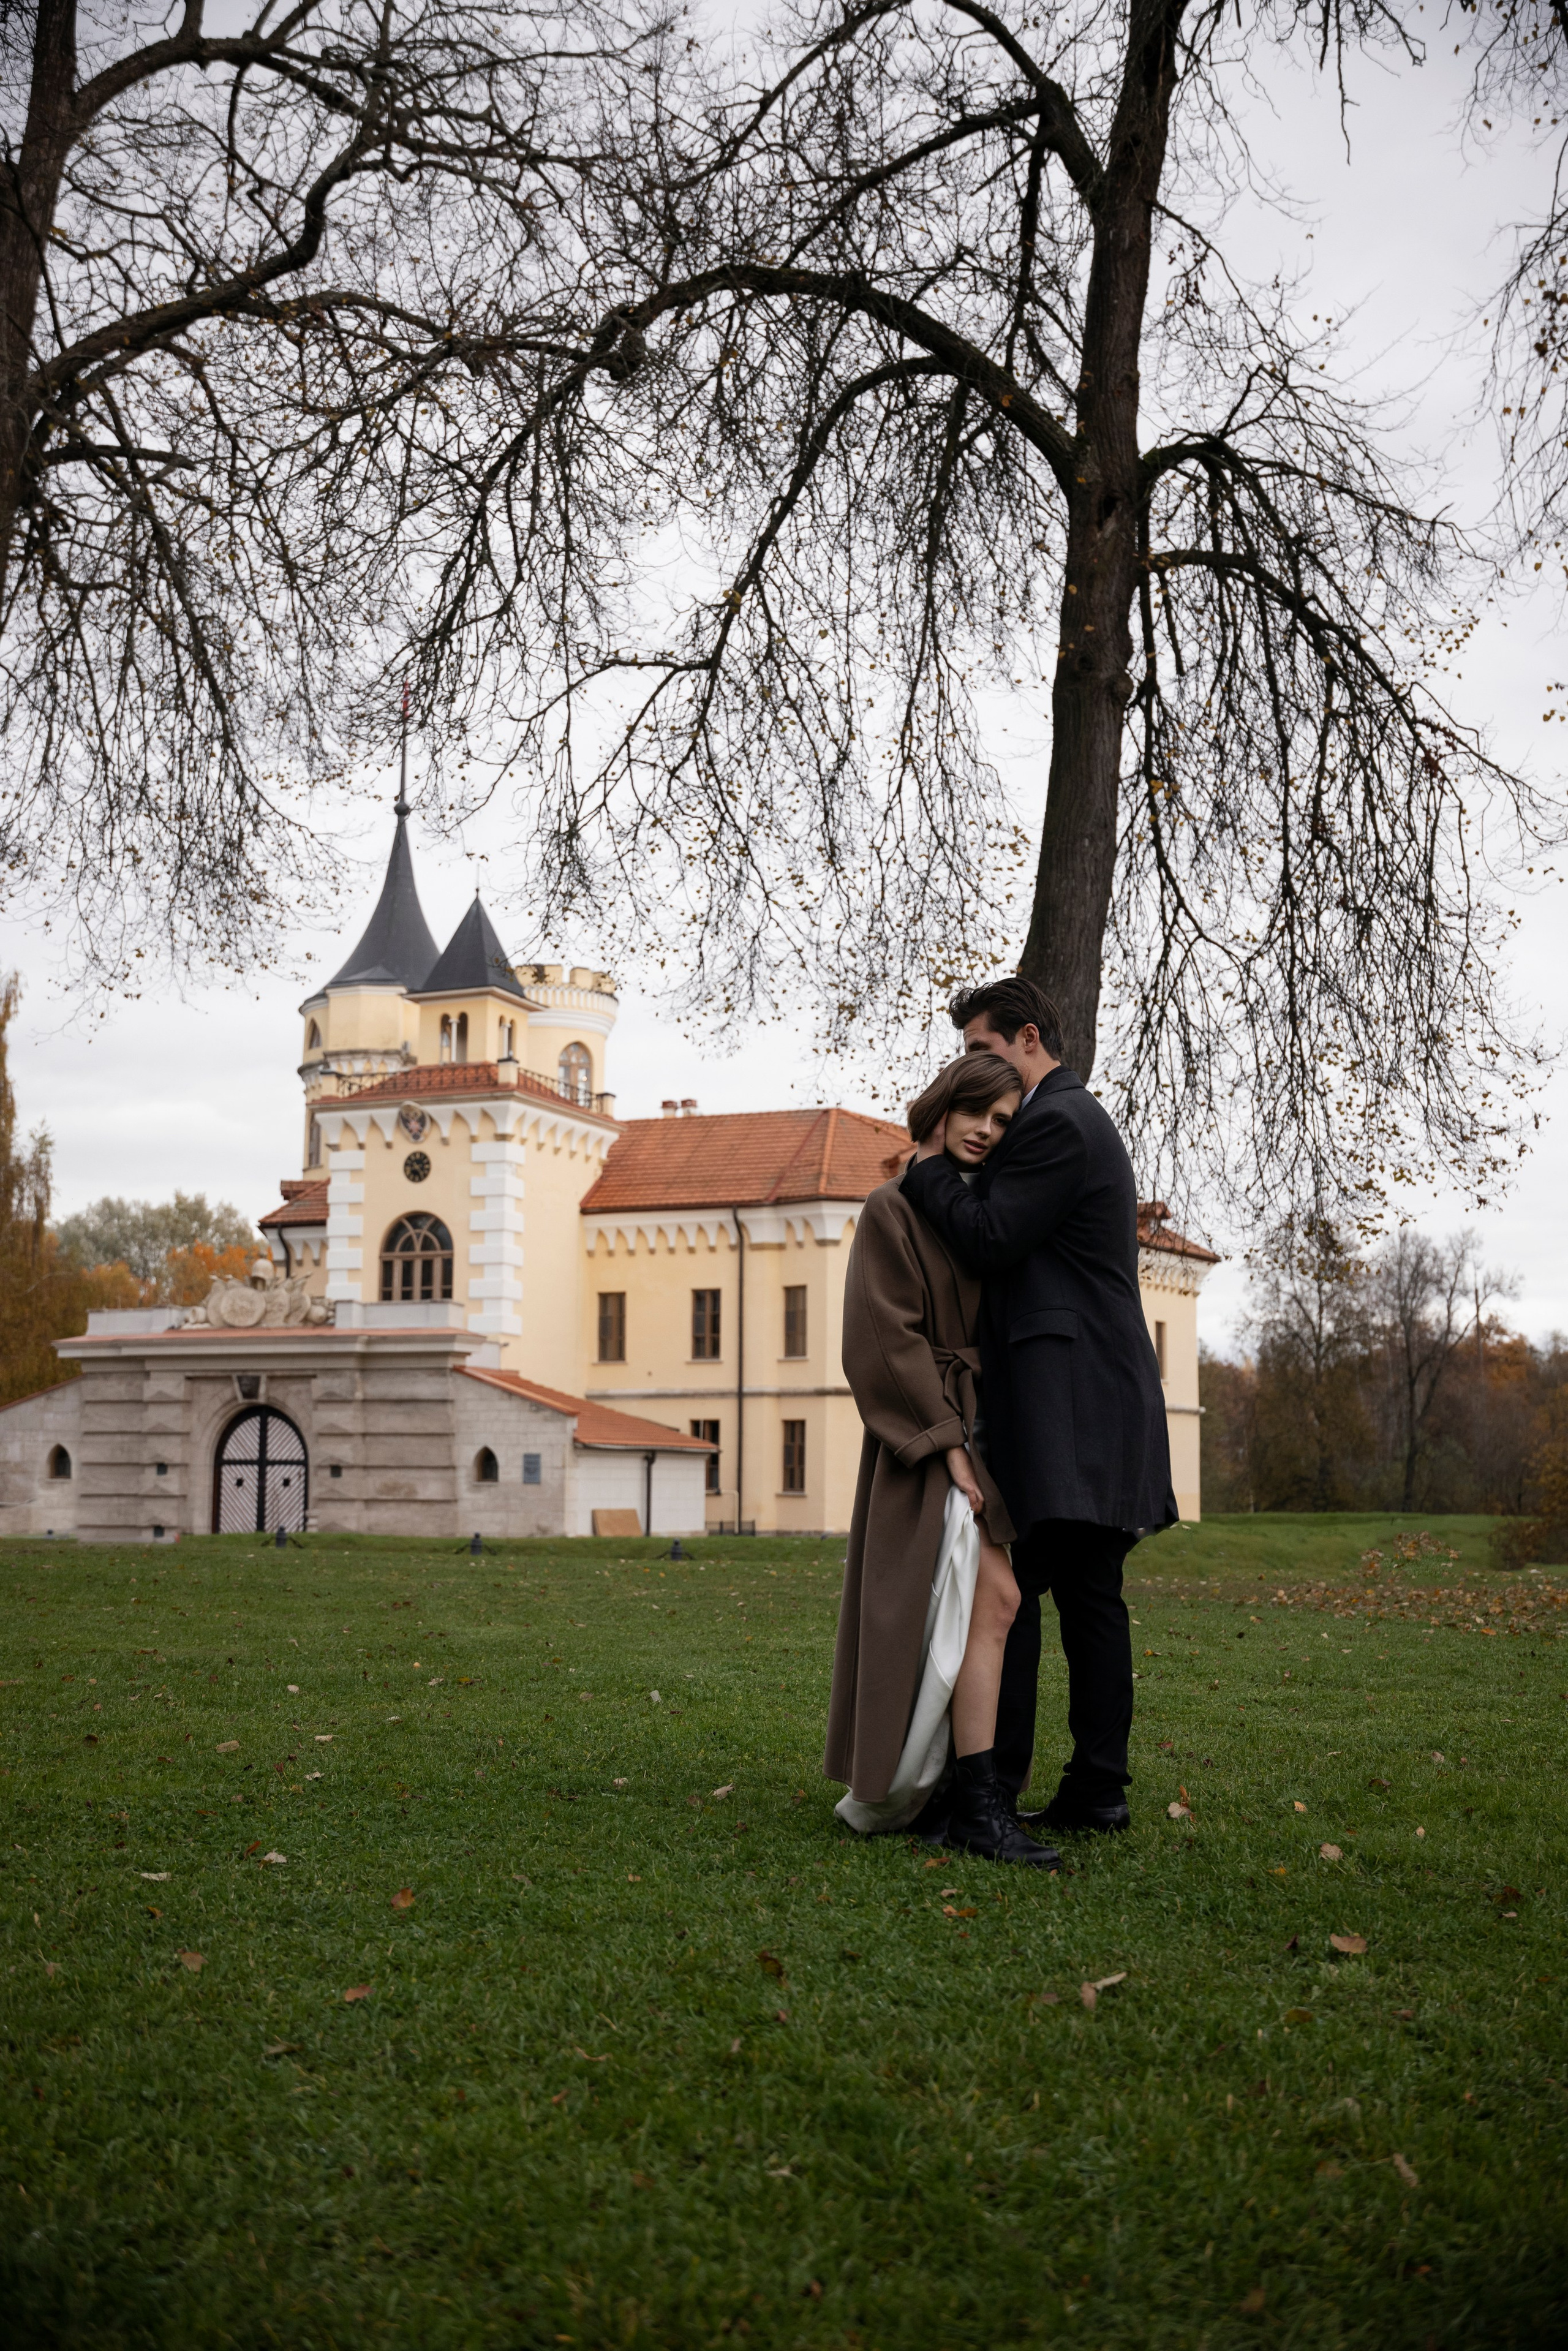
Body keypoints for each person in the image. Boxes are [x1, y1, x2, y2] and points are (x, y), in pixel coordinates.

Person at [900, 976, 1176, 1836]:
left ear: (1026, 1037)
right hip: (1098, 1390)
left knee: (1011, 1589)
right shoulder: (1072, 1117)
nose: (971, 1069)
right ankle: (1096, 1789)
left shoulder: (1056, 1120)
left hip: (1072, 1398)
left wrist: (925, 1173)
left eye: (982, 1050)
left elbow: (988, 1233)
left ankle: (992, 1785)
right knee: (1088, 1592)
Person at [824, 1052, 1057, 1868]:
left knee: (983, 1607)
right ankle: (970, 1803)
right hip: (927, 1438)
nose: (987, 1132)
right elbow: (883, 1338)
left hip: (983, 1430)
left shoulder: (978, 1209)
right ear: (943, 1108)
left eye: (1002, 1121)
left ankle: (966, 1797)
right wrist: (950, 1444)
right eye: (976, 1114)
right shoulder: (888, 1210)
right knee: (988, 1599)